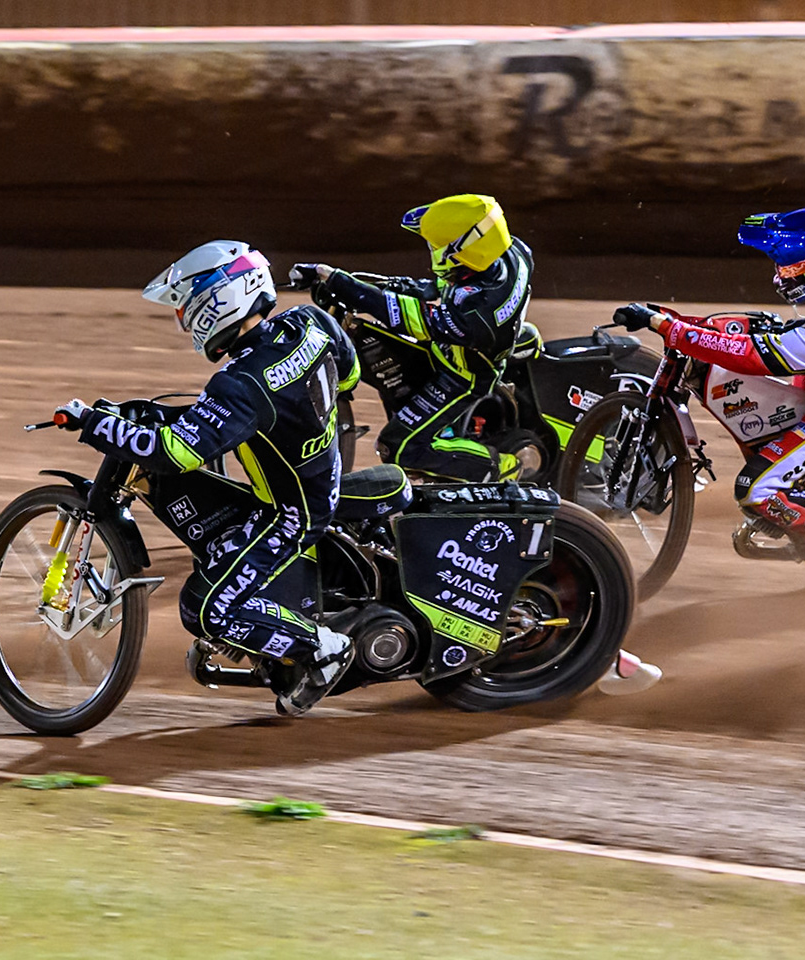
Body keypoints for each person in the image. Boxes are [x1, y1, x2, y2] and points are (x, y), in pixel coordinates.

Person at [53, 240, 360, 716]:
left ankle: (322, 648)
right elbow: (349, 373)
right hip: (324, 476)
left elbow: (175, 453)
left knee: (206, 607)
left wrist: (94, 425)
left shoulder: (241, 382)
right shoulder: (308, 322)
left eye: (185, 306)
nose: (182, 319)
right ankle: (269, 640)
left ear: (218, 299)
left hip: (290, 514)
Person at [613, 205, 805, 580]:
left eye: (796, 270)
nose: (785, 276)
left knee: (755, 490)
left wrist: (667, 326)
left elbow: (748, 355)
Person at [292, 193, 534, 482]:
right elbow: (439, 288)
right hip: (460, 343)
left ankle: (505, 467)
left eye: (437, 246)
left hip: (464, 376)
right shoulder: (510, 253)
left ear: (465, 249)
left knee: (397, 447)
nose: (432, 250)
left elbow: (407, 316)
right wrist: (364, 282)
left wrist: (336, 279)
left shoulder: (478, 313)